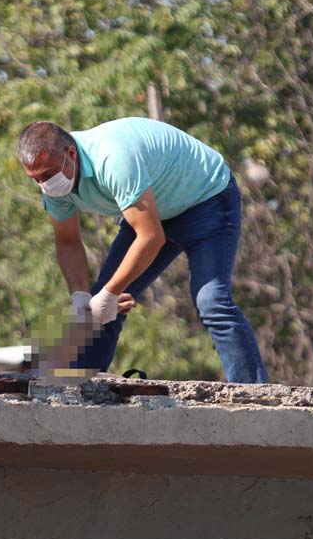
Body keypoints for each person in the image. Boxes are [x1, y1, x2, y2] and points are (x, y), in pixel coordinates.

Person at [16, 117, 268, 383]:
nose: (44, 184)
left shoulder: (112, 159)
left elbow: (150, 237)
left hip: (206, 200)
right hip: (151, 212)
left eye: (47, 174)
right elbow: (67, 241)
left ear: (70, 154)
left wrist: (110, 293)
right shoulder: (55, 188)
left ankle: (252, 391)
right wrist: (81, 297)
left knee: (212, 301)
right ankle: (79, 388)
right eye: (36, 179)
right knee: (98, 310)